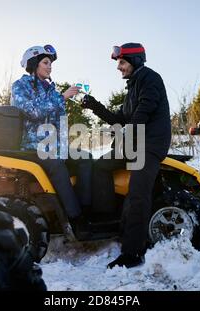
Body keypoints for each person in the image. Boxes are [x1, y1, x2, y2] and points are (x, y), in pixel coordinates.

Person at [81, 43, 171, 268]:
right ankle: (106, 217)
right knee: (99, 166)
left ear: (136, 60)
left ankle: (133, 253)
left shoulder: (151, 79)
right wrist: (94, 106)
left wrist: (126, 134)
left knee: (138, 193)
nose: (118, 67)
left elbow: (144, 112)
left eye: (122, 62)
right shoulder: (131, 88)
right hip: (133, 143)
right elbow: (119, 118)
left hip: (150, 145)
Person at [10, 45, 91, 229]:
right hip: (32, 146)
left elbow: (60, 123)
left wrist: (64, 147)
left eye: (51, 63)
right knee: (56, 164)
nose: (50, 66)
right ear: (34, 64)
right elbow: (32, 111)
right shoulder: (20, 86)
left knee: (85, 158)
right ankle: (75, 219)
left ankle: (85, 209)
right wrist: (61, 98)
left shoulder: (52, 91)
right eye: (46, 62)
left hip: (53, 145)